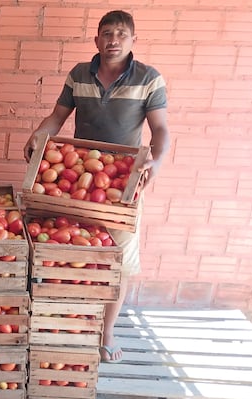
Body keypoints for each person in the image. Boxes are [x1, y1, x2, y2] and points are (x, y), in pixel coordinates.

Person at [24, 10, 170, 363]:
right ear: (97, 40)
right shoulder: (79, 74)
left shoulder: (149, 79)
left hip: (125, 177)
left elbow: (160, 129)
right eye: (107, 33)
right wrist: (37, 136)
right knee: (74, 251)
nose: (113, 39)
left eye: (121, 33)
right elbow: (57, 117)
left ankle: (107, 331)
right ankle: (65, 322)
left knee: (118, 259)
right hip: (78, 178)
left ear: (133, 39)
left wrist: (157, 161)